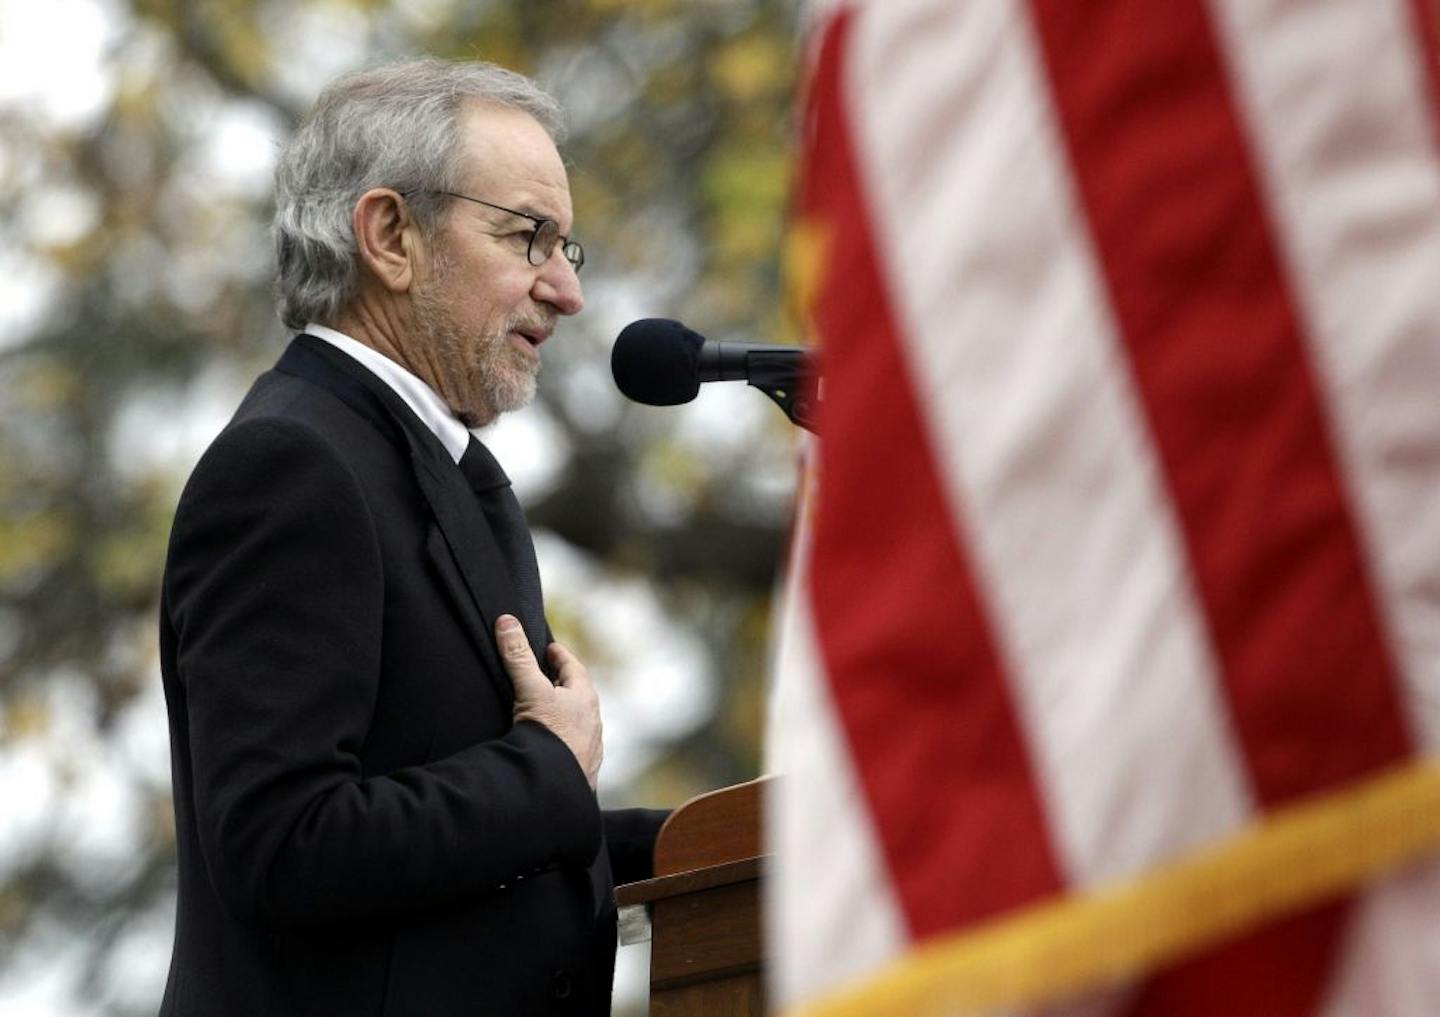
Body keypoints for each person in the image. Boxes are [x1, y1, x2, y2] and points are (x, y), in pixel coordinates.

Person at [157, 58, 668, 1016]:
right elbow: (283, 841)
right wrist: (546, 770)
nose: (566, 291)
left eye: (567, 247)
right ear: (391, 236)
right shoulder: (292, 466)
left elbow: (463, 829)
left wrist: (717, 841)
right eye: (529, 237)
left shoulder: (419, 460)